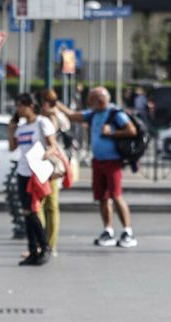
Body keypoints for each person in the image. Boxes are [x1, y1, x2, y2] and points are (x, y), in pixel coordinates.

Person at [55, 87, 138, 248]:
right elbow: (72, 116)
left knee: (116, 195)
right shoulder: (93, 114)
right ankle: (108, 230)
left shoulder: (115, 114)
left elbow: (131, 130)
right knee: (102, 197)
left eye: (91, 100)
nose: (89, 104)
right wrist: (56, 103)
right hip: (98, 161)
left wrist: (111, 133)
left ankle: (127, 231)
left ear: (100, 100)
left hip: (113, 162)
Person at [9, 94, 58, 267]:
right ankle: (32, 250)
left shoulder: (42, 122)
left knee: (33, 211)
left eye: (21, 106)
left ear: (30, 106)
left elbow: (53, 145)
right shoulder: (21, 128)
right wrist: (11, 128)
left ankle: (45, 248)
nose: (18, 110)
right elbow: (12, 148)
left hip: (37, 172)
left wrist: (47, 153)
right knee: (26, 213)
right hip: (23, 171)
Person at [40, 91, 71, 256]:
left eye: (51, 102)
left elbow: (66, 125)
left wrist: (55, 112)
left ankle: (50, 244)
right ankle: (41, 241)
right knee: (40, 204)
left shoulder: (55, 117)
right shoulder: (37, 118)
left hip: (52, 164)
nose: (47, 106)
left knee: (51, 204)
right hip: (38, 161)